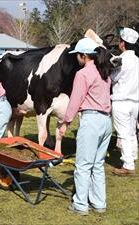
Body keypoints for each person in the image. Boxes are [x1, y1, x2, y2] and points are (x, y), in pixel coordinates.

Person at [59, 37, 112, 215]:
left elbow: (75, 101)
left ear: (83, 56)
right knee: (97, 164)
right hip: (106, 121)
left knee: (83, 165)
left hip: (91, 121)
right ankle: (99, 202)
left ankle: (80, 204)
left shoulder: (82, 74)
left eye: (77, 55)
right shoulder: (103, 72)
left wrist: (65, 122)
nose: (76, 58)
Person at [111, 27, 139, 176]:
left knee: (123, 134)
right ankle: (133, 157)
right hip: (135, 101)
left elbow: (113, 78)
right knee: (132, 132)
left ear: (123, 43)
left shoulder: (120, 60)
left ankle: (128, 165)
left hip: (121, 101)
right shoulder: (137, 60)